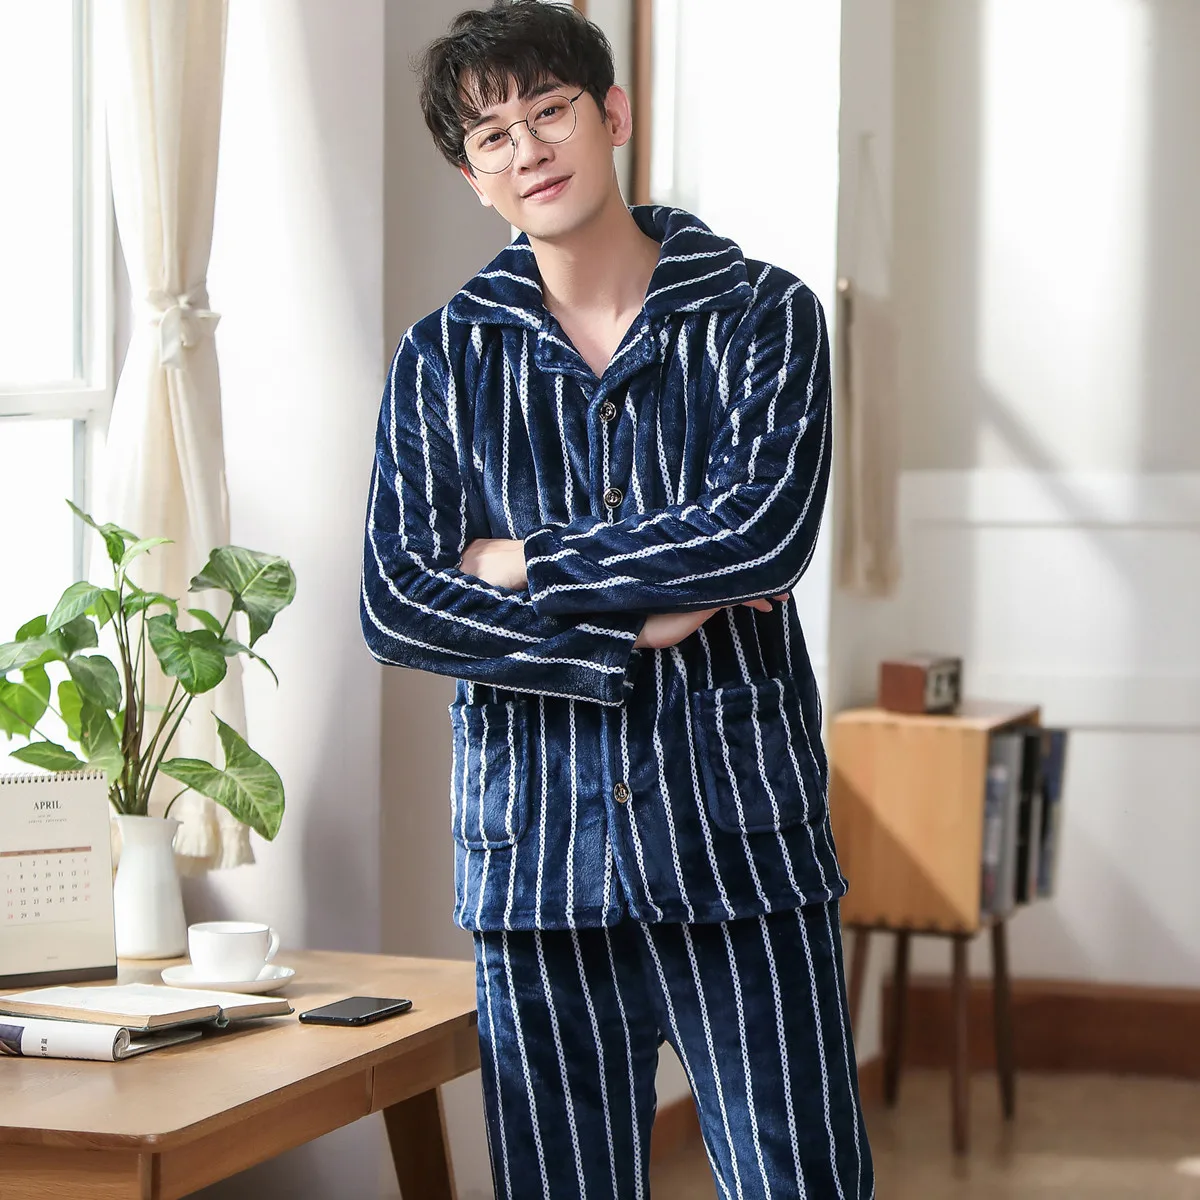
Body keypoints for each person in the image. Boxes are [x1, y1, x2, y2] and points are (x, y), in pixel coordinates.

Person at [360, 2, 873, 1196]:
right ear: (471, 175)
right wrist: (626, 632)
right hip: (539, 866)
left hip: (742, 854)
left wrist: (520, 562)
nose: (529, 149)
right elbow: (396, 598)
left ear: (614, 116)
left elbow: (759, 535)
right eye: (493, 135)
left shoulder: (764, 315)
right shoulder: (443, 359)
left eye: (550, 111)